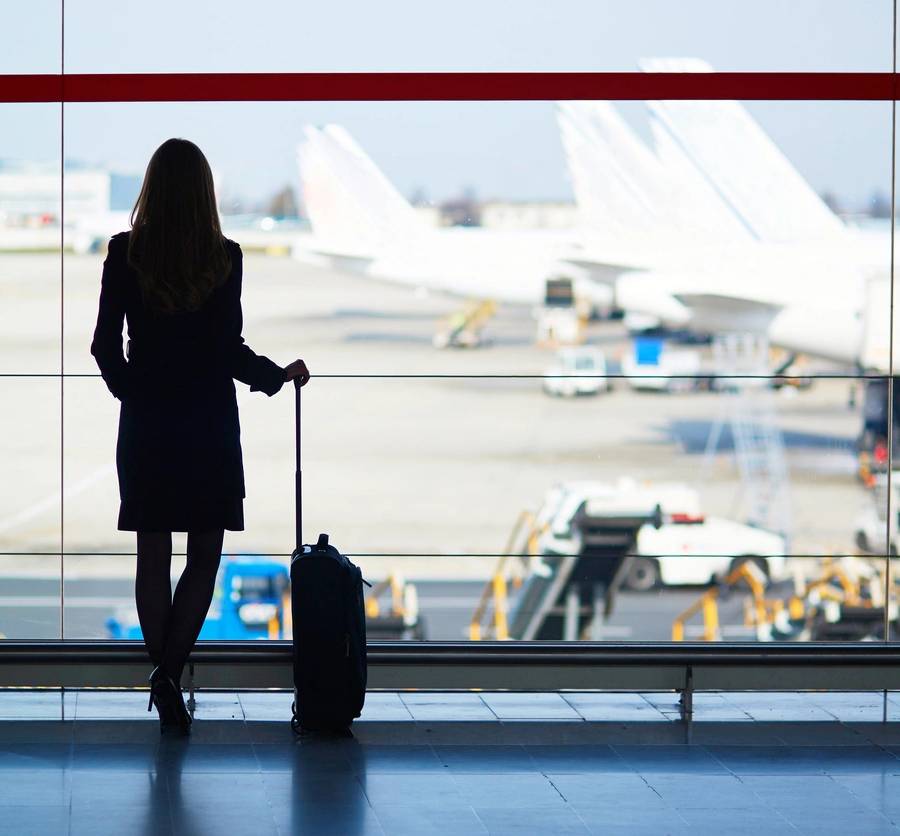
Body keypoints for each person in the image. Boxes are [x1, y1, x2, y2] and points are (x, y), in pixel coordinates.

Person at [90, 138, 310, 734]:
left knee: (151, 554)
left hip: (148, 424)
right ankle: (168, 676)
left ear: (152, 189)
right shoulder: (226, 257)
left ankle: (164, 680)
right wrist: (275, 377)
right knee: (204, 556)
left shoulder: (124, 253)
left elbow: (104, 347)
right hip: (208, 423)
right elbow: (226, 349)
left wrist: (131, 391)